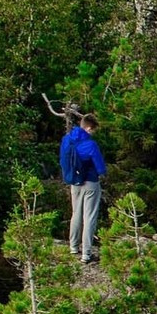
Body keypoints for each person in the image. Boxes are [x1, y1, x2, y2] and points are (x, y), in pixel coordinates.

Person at [60, 112, 107, 264]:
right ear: (88, 128)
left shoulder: (67, 140)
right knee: (90, 217)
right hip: (90, 183)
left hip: (74, 182)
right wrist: (103, 174)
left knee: (76, 214)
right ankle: (86, 254)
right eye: (93, 130)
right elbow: (100, 167)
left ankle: (73, 247)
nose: (93, 133)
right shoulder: (90, 144)